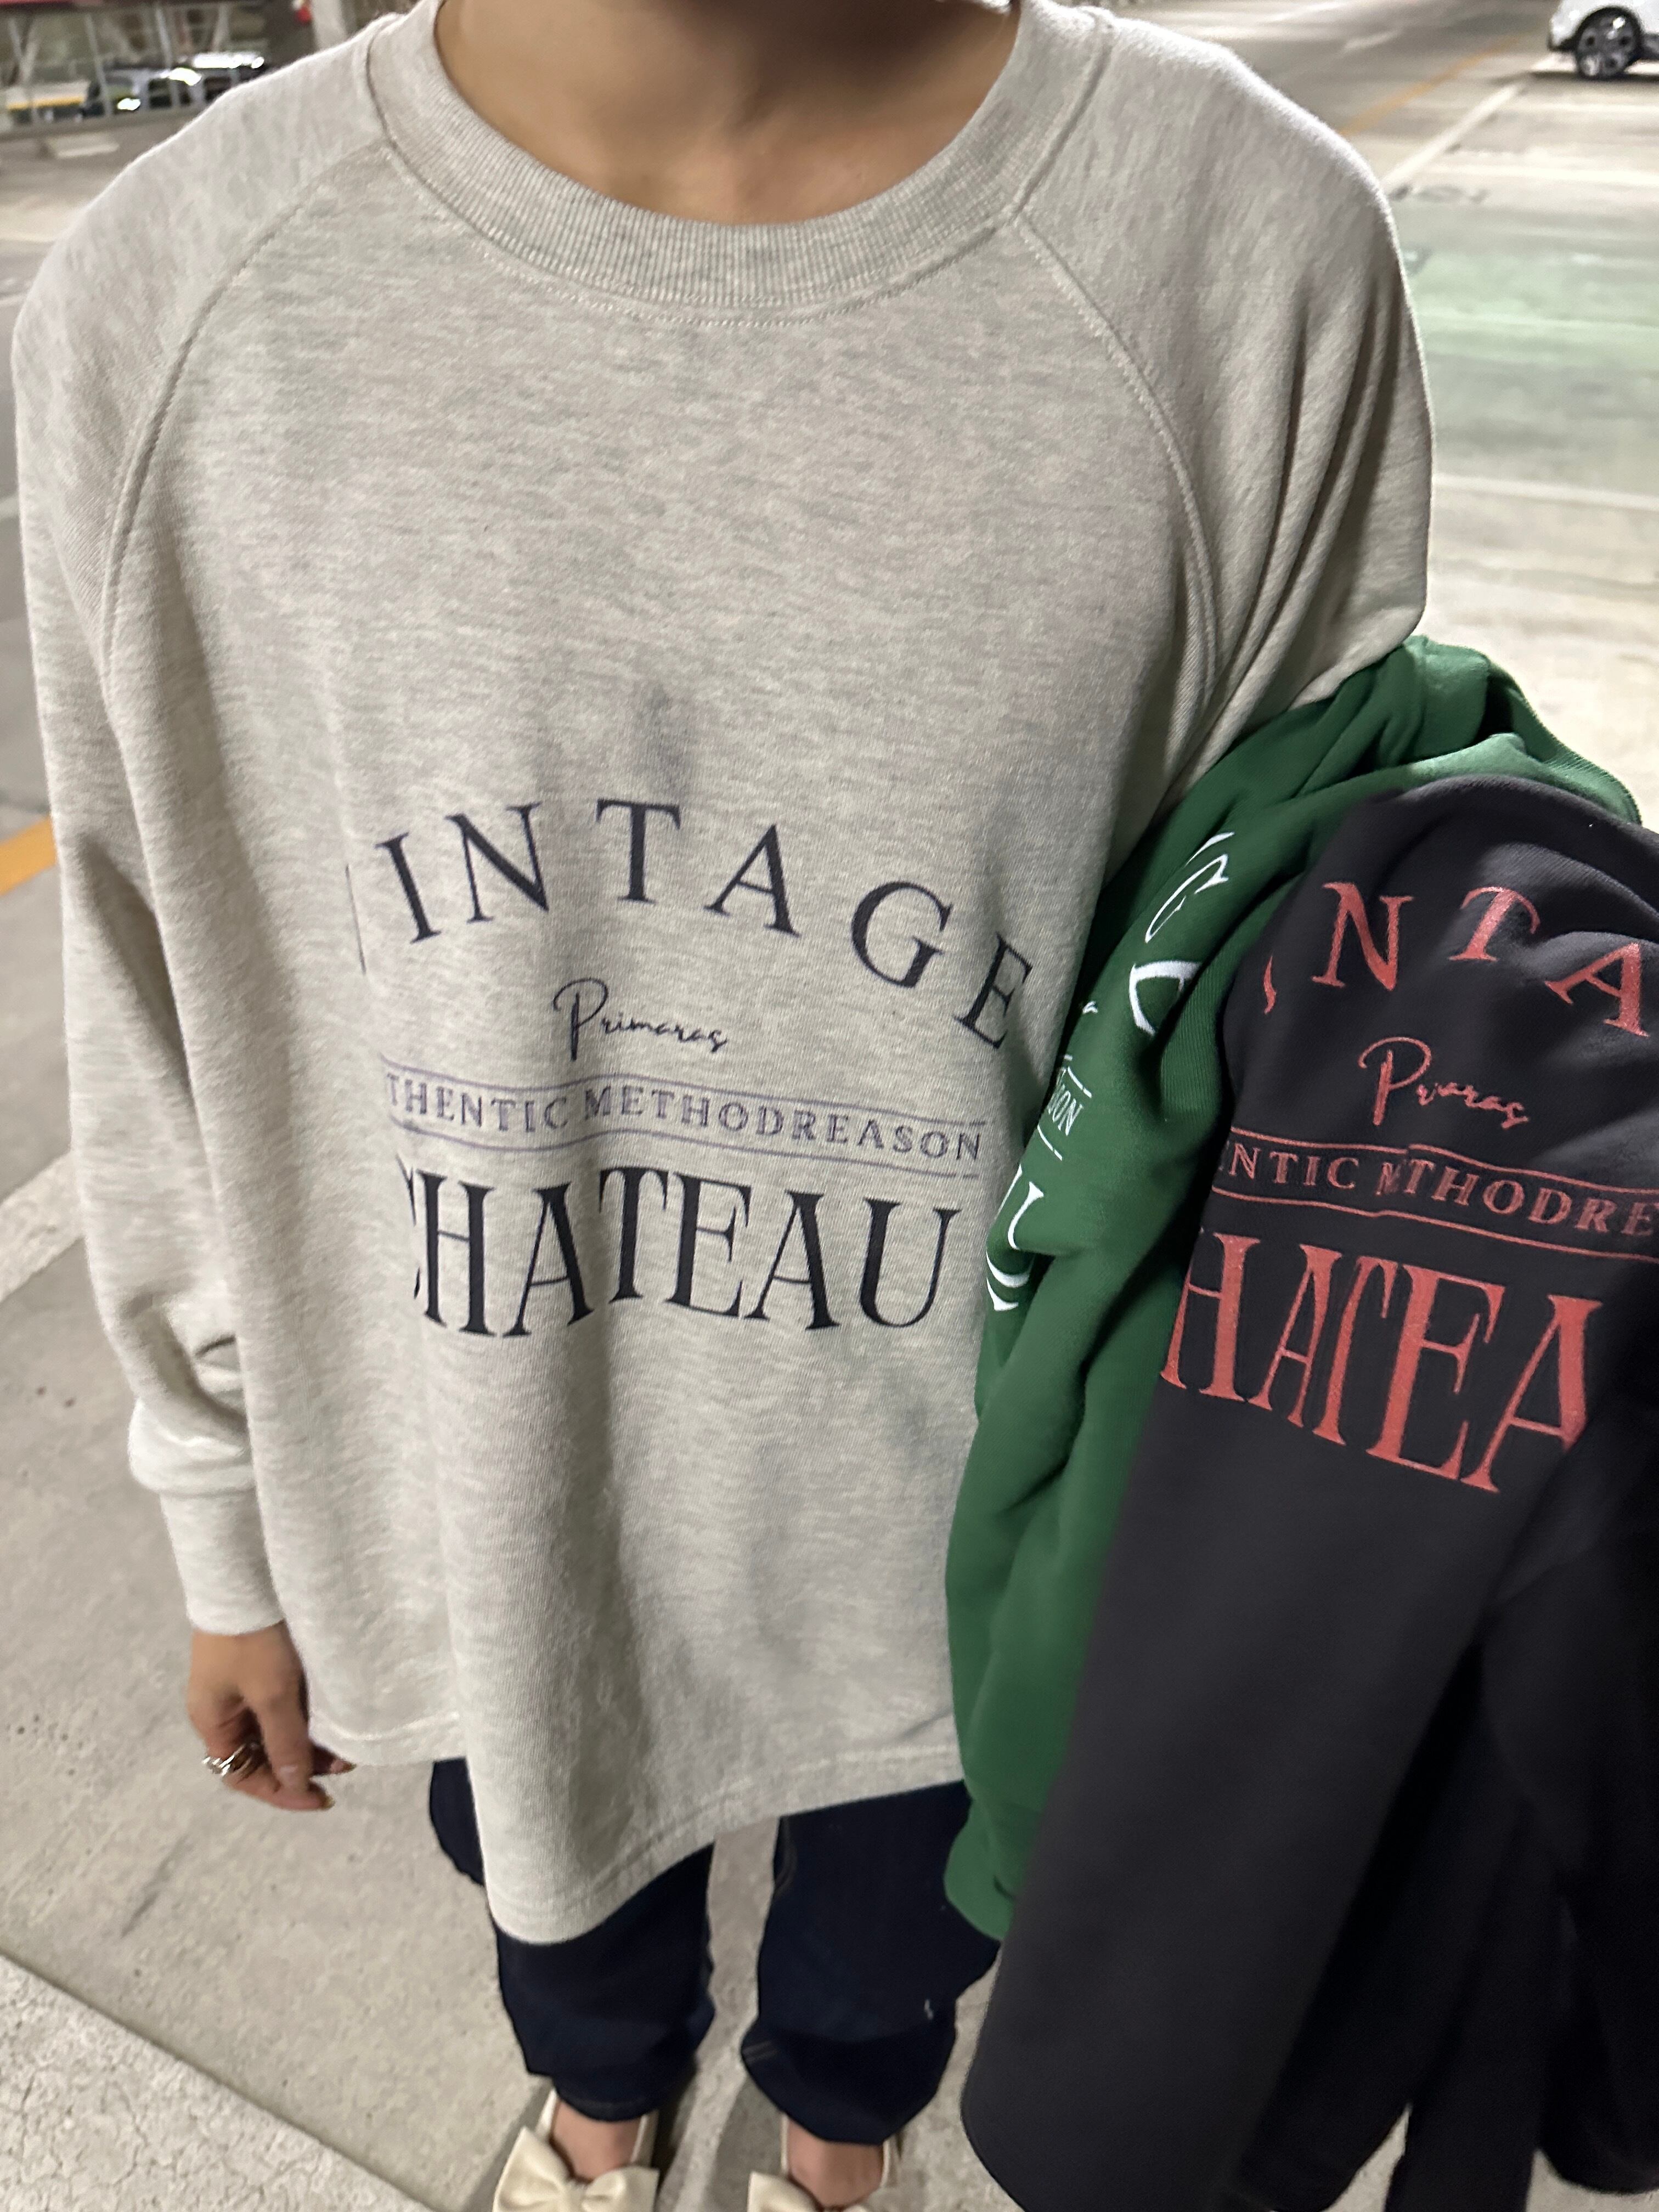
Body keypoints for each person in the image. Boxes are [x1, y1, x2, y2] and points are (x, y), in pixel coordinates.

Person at [14, 0, 1431, 2202]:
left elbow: (1276, 997)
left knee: (897, 1946)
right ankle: (605, 2123)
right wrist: (219, 1507)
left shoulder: (1242, 253)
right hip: (490, 1464)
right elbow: (148, 966)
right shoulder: (182, 287)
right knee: (547, 1881)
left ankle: (835, 2154)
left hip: (974, 1506)